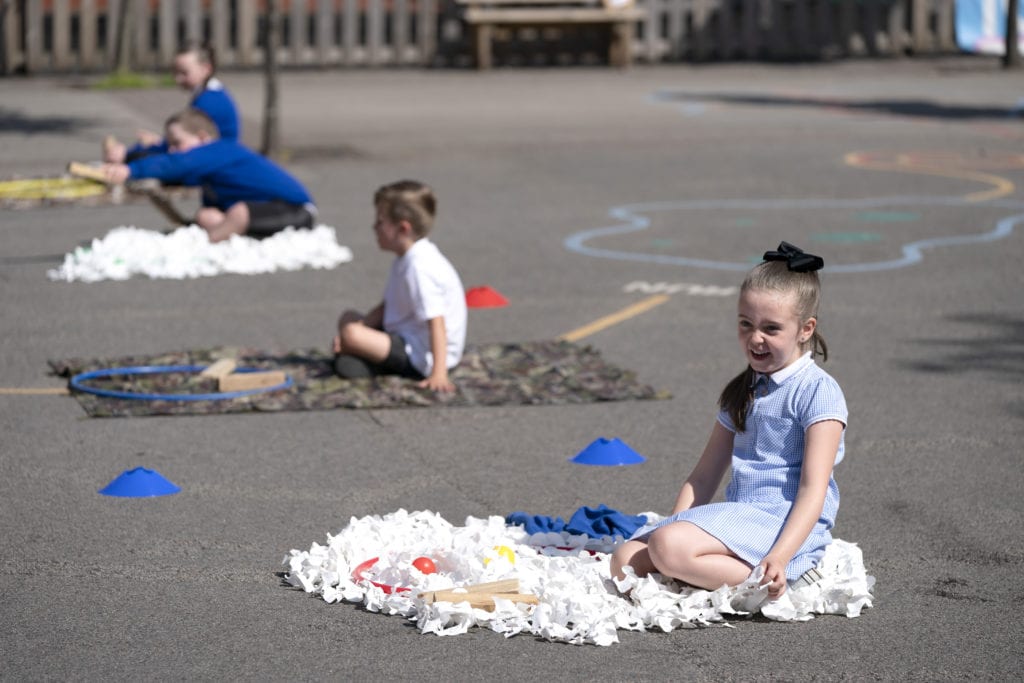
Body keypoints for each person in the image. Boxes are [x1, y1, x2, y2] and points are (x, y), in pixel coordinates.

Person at [610, 242, 847, 599]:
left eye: (771, 328)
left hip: (784, 525)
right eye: (745, 324)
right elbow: (704, 476)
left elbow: (814, 489)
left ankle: (785, 580)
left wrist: (780, 555)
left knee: (668, 548)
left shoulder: (818, 391)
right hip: (744, 518)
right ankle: (703, 570)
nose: (755, 338)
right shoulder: (744, 389)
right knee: (625, 562)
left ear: (805, 328)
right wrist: (677, 525)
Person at [101, 108, 315, 242]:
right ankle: (241, 237)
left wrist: (131, 170)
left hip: (295, 210)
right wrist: (130, 156)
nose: (172, 150)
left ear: (202, 138)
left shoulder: (218, 150)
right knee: (207, 215)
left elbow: (176, 163)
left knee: (239, 213)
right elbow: (170, 161)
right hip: (259, 211)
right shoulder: (205, 157)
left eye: (177, 143)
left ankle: (207, 244)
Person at [332, 180, 466, 392]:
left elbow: (437, 321)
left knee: (351, 335)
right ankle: (363, 356)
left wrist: (438, 373)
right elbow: (389, 305)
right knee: (349, 320)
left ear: (403, 228)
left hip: (422, 354)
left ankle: (367, 361)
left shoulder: (419, 268)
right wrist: (363, 325)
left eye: (380, 222)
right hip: (404, 332)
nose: (374, 227)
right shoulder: (406, 258)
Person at [103, 42, 240, 163]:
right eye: (175, 72)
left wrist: (129, 154)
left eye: (184, 73)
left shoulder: (208, 102)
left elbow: (185, 147)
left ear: (206, 69)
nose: (178, 79)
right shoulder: (212, 93)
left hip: (216, 162)